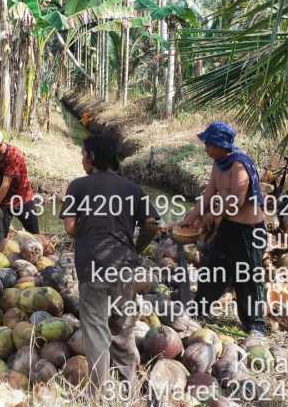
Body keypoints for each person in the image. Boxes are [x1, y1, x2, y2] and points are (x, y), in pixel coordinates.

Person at [60, 134, 159, 395]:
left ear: (91, 157)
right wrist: (137, 247)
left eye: (84, 155)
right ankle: (128, 385)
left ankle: (99, 393)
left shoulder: (78, 186)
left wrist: (90, 224)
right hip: (124, 266)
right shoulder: (132, 189)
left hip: (92, 266)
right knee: (122, 327)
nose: (82, 160)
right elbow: (151, 224)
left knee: (95, 329)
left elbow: (70, 227)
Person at [178, 121, 267, 337]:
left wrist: (210, 217)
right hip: (228, 226)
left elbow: (236, 201)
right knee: (214, 266)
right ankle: (200, 308)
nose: (206, 147)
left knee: (248, 278)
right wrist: (191, 217)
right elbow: (208, 195)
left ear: (220, 145)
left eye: (209, 144)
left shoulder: (239, 165)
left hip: (249, 231)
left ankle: (255, 325)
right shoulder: (218, 164)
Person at [0, 128, 39, 250]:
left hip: (22, 199)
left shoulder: (14, 155)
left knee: (35, 236)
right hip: (4, 202)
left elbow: (5, 184)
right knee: (0, 243)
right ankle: (0, 262)